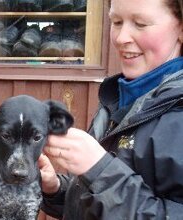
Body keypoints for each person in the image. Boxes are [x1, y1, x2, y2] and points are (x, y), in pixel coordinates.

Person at [38, 0, 183, 219]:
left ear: (180, 28)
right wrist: (56, 188)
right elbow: (101, 202)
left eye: (140, 23)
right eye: (116, 21)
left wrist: (100, 170)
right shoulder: (119, 99)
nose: (121, 37)